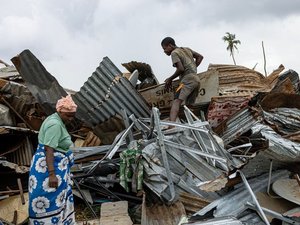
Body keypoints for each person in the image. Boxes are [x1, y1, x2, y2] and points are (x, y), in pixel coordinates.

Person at [28, 95, 78, 225]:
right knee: (48, 200)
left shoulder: (56, 119)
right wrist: (52, 174)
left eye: (73, 115)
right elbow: (49, 149)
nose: (71, 119)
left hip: (54, 167)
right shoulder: (54, 124)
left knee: (56, 199)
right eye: (68, 115)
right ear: (60, 111)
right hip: (49, 169)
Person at [161, 37, 203, 122]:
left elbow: (181, 69)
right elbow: (200, 57)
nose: (164, 51)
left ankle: (171, 125)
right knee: (189, 105)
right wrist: (193, 67)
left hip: (186, 80)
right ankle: (191, 124)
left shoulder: (174, 53)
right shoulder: (186, 49)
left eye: (165, 48)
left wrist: (170, 79)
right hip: (196, 79)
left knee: (176, 101)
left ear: (170, 45)